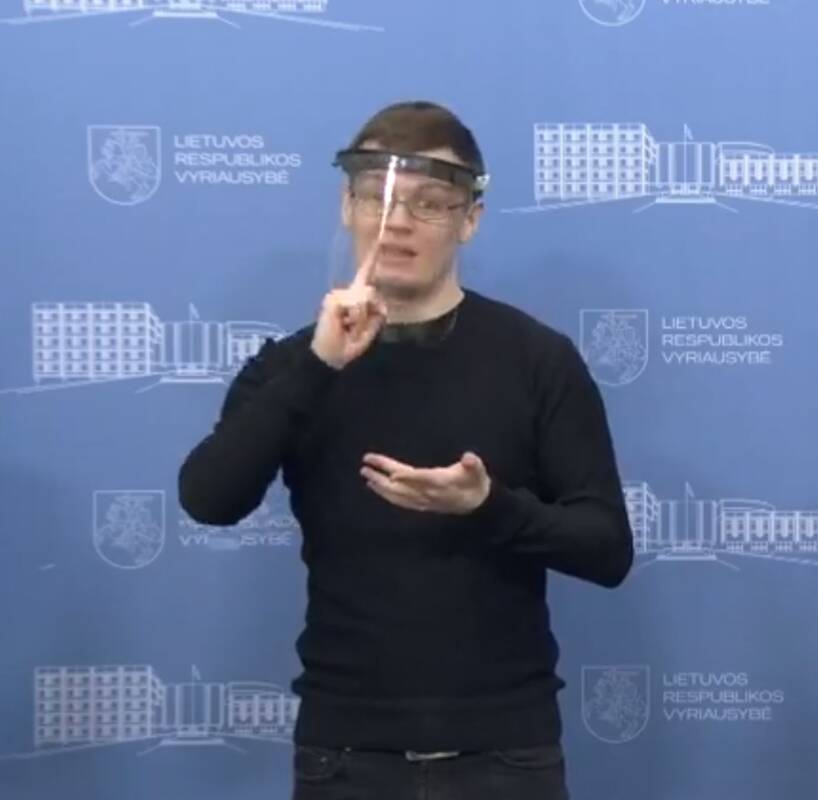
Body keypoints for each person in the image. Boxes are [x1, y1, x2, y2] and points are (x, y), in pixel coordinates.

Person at [178, 101, 632, 799]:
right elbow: (208, 499)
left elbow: (607, 549)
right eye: (377, 197)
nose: (397, 222)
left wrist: (488, 505)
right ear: (347, 206)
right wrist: (319, 366)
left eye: (430, 203)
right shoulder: (295, 367)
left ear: (469, 219)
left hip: (505, 754)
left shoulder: (537, 360)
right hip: (345, 755)